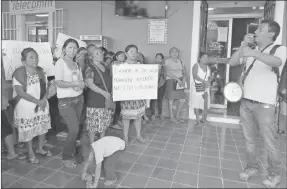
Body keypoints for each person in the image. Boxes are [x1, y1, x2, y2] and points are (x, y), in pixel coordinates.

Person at [228, 19, 286, 188]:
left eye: (260, 29)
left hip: (266, 104)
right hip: (246, 102)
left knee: (269, 142)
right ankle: (251, 167)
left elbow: (277, 62)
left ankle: (275, 174)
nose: (256, 32)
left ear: (271, 34)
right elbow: (232, 62)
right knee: (249, 140)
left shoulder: (279, 49)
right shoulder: (250, 50)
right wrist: (243, 45)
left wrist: (254, 53)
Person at [12, 48, 52, 164]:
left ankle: (40, 148)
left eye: (36, 56)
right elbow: (20, 92)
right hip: (26, 106)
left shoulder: (41, 71)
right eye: (31, 57)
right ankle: (30, 152)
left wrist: (43, 100)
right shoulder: (19, 73)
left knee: (42, 126)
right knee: (28, 129)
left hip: (42, 104)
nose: (35, 59)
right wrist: (37, 101)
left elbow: (46, 87)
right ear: (23, 61)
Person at [55, 38, 85, 168]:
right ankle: (66, 157)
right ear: (64, 49)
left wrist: (81, 85)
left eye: (75, 48)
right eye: (70, 48)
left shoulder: (76, 64)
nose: (73, 50)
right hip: (66, 101)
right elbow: (58, 82)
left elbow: (80, 80)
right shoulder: (60, 63)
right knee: (74, 130)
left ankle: (75, 152)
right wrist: (74, 84)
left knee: (76, 129)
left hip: (78, 99)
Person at [84, 47, 114, 142]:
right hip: (95, 100)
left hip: (106, 100)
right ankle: (92, 145)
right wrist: (103, 92)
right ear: (91, 56)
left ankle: (102, 142)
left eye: (101, 53)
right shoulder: (90, 68)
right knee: (93, 124)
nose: (101, 55)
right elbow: (90, 84)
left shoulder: (105, 67)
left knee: (104, 122)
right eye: (97, 54)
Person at [120, 45, 147, 145]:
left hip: (138, 95)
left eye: (135, 51)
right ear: (126, 53)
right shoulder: (121, 66)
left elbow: (145, 78)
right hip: (126, 95)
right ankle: (125, 137)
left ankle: (138, 135)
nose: (134, 53)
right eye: (131, 51)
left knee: (138, 116)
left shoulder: (140, 65)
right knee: (126, 117)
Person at [164, 47, 187, 123]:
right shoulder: (167, 61)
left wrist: (183, 79)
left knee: (182, 100)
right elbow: (167, 72)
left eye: (176, 51)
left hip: (180, 81)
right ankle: (171, 117)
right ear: (170, 54)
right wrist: (177, 79)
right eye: (172, 51)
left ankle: (177, 115)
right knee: (171, 99)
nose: (174, 53)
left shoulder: (181, 61)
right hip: (171, 80)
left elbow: (184, 72)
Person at [191, 52, 211, 126]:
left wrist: (209, 81)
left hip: (205, 87)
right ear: (199, 58)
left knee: (204, 103)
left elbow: (209, 77)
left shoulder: (208, 67)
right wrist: (204, 81)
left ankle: (203, 118)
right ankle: (197, 120)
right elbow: (195, 76)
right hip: (197, 87)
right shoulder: (196, 66)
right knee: (196, 103)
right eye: (203, 57)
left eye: (207, 58)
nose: (205, 59)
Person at [110, 51, 127, 130]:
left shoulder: (124, 64)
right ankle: (114, 123)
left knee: (119, 106)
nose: (122, 57)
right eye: (120, 56)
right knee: (116, 106)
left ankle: (116, 121)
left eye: (123, 56)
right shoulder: (114, 64)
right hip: (116, 89)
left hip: (121, 89)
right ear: (116, 57)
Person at [149, 53, 166, 120]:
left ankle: (160, 114)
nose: (158, 59)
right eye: (157, 58)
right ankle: (153, 114)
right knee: (153, 100)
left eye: (160, 58)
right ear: (155, 58)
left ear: (162, 59)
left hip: (161, 85)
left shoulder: (163, 67)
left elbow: (164, 77)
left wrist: (159, 84)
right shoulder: (151, 67)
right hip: (152, 85)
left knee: (160, 100)